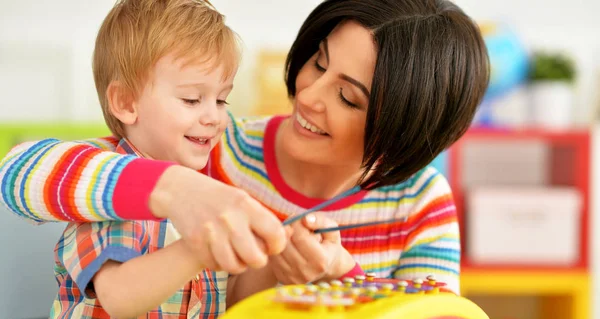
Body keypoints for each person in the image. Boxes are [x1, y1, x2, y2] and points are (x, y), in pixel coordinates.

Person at [0, 0, 489, 302]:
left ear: (404, 127)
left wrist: (342, 277)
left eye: (348, 97)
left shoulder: (420, 201)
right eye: (318, 64)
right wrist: (175, 190)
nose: (310, 96)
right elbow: (18, 173)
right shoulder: (209, 146)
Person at [37, 0, 291, 319]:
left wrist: (274, 255)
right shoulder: (106, 187)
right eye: (192, 99)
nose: (214, 116)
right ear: (126, 102)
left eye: (221, 99)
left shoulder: (209, 188)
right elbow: (119, 296)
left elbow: (233, 301)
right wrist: (199, 248)